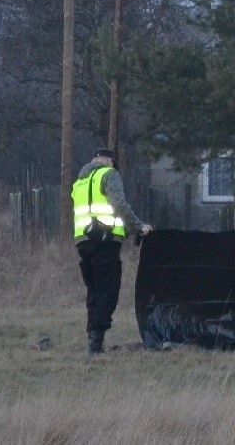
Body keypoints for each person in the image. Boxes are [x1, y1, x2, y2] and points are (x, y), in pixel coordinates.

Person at [71, 148, 152, 356]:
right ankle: (95, 344)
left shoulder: (80, 181)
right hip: (104, 241)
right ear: (109, 161)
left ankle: (93, 339)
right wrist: (137, 226)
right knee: (108, 290)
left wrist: (124, 231)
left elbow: (91, 210)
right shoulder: (109, 174)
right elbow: (119, 205)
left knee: (94, 291)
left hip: (83, 241)